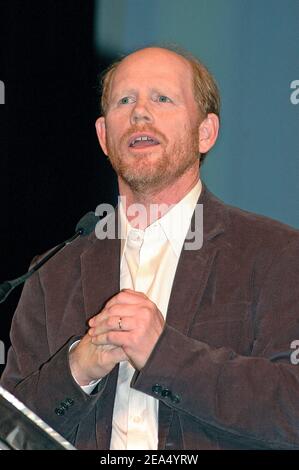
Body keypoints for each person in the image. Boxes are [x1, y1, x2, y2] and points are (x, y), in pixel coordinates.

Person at [1, 46, 299, 450]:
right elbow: (12, 436)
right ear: (104, 137)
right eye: (125, 100)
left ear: (205, 132)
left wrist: (165, 355)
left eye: (162, 98)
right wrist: (76, 370)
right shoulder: (53, 274)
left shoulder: (275, 253)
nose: (140, 113)